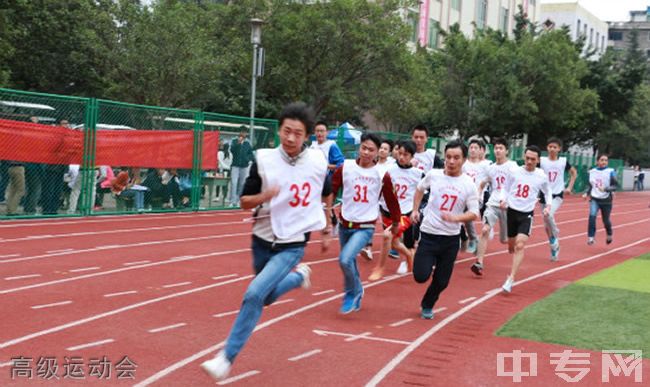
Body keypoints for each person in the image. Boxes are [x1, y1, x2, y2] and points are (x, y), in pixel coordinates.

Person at [200, 102, 332, 381]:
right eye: (287, 131)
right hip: (262, 239)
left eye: (298, 133)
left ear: (306, 135)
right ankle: (298, 279)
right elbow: (244, 203)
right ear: (279, 130)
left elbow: (327, 191)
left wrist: (327, 225)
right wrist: (265, 196)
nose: (291, 138)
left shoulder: (317, 162)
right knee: (267, 295)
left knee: (254, 294)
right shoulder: (263, 160)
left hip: (293, 243)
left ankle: (226, 358)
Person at [330, 132, 401, 314]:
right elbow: (332, 188)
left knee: (345, 259)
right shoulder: (345, 167)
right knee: (349, 260)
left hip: (365, 226)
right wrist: (327, 210)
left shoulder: (381, 174)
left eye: (371, 150)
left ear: (377, 153)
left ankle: (350, 293)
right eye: (364, 148)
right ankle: (357, 290)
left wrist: (395, 222)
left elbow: (391, 199)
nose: (367, 152)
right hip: (345, 222)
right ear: (359, 147)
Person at [410, 140, 479, 319]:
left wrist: (455, 218)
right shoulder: (434, 175)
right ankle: (428, 264)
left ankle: (427, 304)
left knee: (442, 281)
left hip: (450, 239)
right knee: (420, 276)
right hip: (429, 234)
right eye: (448, 157)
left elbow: (474, 213)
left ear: (464, 160)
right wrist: (415, 210)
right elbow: (419, 189)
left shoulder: (468, 184)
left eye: (456, 158)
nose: (451, 161)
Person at [501, 146, 552, 293]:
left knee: (520, 245)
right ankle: (511, 250)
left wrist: (548, 206)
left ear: (538, 160)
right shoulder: (514, 171)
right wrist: (503, 200)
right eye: (527, 158)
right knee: (511, 246)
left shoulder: (541, 175)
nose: (529, 161)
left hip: (526, 214)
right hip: (511, 211)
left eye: (533, 159)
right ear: (524, 157)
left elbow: (547, 192)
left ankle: (510, 279)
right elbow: (505, 187)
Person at [368, 140, 422, 280]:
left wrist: (417, 209)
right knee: (394, 243)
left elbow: (423, 191)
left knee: (387, 235)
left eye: (406, 155)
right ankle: (409, 254)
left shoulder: (418, 173)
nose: (402, 157)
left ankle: (380, 268)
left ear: (412, 156)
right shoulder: (389, 170)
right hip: (387, 211)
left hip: (405, 214)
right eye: (400, 153)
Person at [471, 138, 518, 276]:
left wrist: (509, 200)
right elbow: (482, 183)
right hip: (492, 203)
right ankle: (479, 263)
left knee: (505, 240)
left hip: (507, 206)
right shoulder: (491, 168)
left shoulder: (512, 166)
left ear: (506, 151)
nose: (498, 151)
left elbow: (517, 184)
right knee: (485, 230)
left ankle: (512, 243)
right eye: (496, 148)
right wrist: (478, 196)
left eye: (501, 148)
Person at [539, 137, 577, 261]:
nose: (552, 149)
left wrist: (569, 187)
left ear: (559, 149)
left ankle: (555, 233)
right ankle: (554, 247)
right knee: (546, 225)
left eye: (555, 147)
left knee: (548, 215)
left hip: (557, 195)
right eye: (550, 147)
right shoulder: (542, 161)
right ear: (547, 148)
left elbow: (573, 173)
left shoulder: (563, 161)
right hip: (544, 195)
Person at [360, 138, 396, 261]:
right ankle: (368, 247)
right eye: (381, 148)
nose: (382, 150)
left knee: (389, 226)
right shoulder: (373, 164)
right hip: (373, 199)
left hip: (386, 200)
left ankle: (395, 245)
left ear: (389, 152)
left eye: (385, 149)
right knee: (369, 221)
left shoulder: (391, 166)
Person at [460, 138, 490, 254]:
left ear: (480, 150)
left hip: (476, 197)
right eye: (471, 147)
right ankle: (464, 237)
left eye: (475, 148)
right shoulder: (464, 164)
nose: (472, 150)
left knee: (468, 214)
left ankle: (472, 238)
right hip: (462, 195)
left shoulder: (485, 165)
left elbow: (491, 177)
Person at [583, 154, 618, 245]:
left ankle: (609, 233)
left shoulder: (611, 171)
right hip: (595, 198)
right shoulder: (592, 172)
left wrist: (606, 189)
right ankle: (591, 238)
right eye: (602, 160)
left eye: (606, 160)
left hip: (606, 200)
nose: (604, 162)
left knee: (606, 220)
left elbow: (615, 186)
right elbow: (590, 185)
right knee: (592, 216)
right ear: (597, 161)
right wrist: (586, 193)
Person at [229, 128, 254, 207]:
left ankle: (238, 200)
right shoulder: (234, 141)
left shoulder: (248, 143)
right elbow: (232, 150)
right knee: (234, 182)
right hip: (235, 165)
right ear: (239, 132)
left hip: (244, 166)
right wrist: (238, 143)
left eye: (245, 132)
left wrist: (248, 159)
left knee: (242, 183)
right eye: (242, 132)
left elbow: (251, 154)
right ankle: (232, 201)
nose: (243, 134)